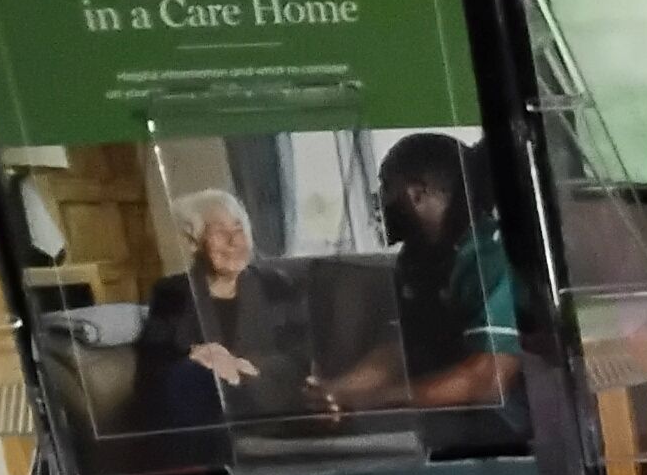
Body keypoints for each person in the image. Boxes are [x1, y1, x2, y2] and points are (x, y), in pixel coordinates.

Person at [312, 132, 522, 415]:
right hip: (444, 419)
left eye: (386, 187)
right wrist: (336, 392)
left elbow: (488, 380)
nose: (381, 201)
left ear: (417, 193)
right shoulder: (416, 259)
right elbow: (401, 352)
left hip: (507, 426)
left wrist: (375, 400)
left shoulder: (490, 255)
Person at [133, 190, 313, 432]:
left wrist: (244, 365)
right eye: (219, 232)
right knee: (190, 378)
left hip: (267, 401)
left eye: (239, 230)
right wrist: (196, 356)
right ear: (194, 242)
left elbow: (304, 352)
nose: (234, 241)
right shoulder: (172, 292)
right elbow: (151, 367)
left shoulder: (276, 285)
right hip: (202, 408)